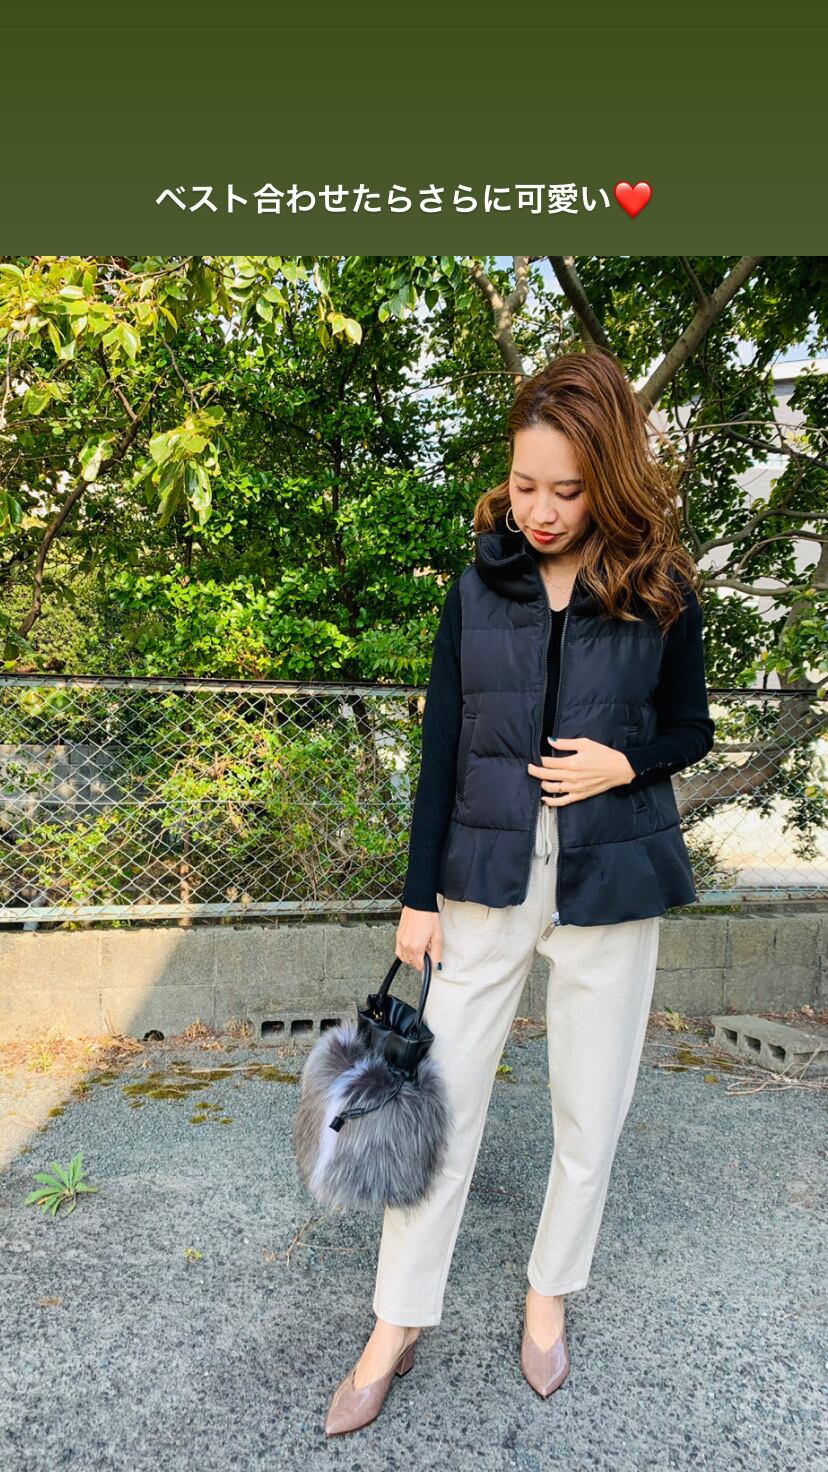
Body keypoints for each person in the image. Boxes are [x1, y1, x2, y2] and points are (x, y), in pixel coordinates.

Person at [323, 348, 715, 1436]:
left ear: (610, 478)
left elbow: (693, 728)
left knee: (592, 1108)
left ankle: (549, 1295)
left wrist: (624, 761)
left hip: (611, 873)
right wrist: (417, 895)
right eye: (525, 483)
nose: (540, 511)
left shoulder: (660, 590)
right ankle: (396, 1321)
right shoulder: (477, 588)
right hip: (484, 879)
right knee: (440, 1102)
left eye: (568, 490)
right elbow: (442, 747)